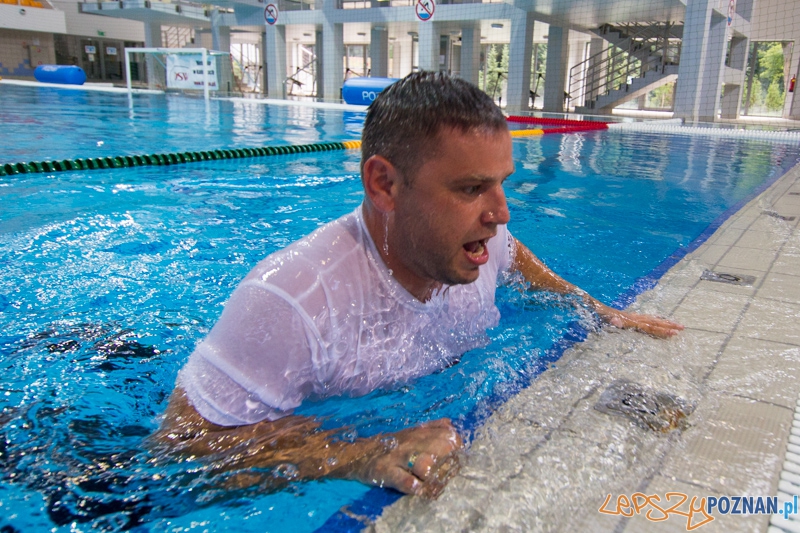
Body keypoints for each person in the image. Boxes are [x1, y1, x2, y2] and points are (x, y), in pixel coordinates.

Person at [154, 71, 683, 498]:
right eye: (472, 188)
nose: (500, 213)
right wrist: (360, 453)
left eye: (501, 184)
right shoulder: (294, 300)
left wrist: (593, 308)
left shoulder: (480, 239)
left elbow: (518, 257)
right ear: (384, 184)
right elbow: (183, 444)